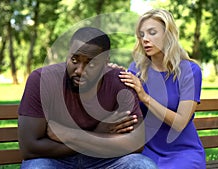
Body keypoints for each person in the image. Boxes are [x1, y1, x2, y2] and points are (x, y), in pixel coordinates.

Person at [18, 27, 157, 168]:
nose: (79, 70)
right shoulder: (42, 80)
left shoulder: (121, 82)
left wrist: (71, 135)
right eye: (74, 59)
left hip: (104, 160)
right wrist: (98, 133)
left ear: (105, 63)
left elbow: (136, 144)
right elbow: (30, 148)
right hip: (56, 160)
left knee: (143, 165)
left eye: (91, 63)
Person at [119, 9, 206, 169]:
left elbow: (180, 123)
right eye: (142, 34)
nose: (145, 39)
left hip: (183, 152)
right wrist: (109, 75)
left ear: (168, 35)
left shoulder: (190, 71)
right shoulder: (136, 70)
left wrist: (145, 97)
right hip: (146, 150)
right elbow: (122, 106)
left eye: (152, 33)